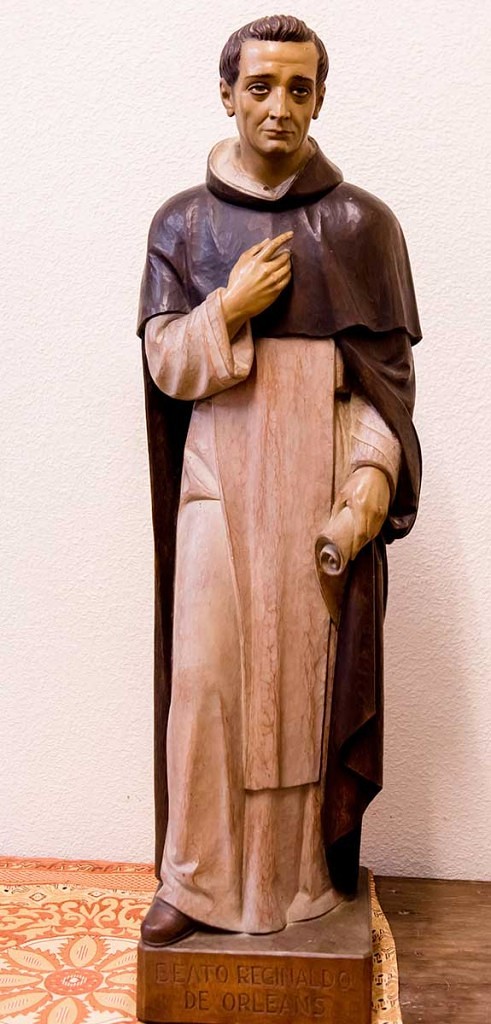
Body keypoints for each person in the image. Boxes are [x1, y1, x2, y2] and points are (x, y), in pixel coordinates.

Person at [137, 15, 421, 946]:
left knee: (301, 694)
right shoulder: (183, 223)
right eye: (259, 86)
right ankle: (197, 880)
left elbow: (384, 391)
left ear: (320, 98)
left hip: (313, 486)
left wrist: (366, 486)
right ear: (227, 94)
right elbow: (166, 365)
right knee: (207, 686)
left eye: (298, 88)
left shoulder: (361, 227)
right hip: (218, 487)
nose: (278, 106)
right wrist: (230, 305)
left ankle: (300, 881)